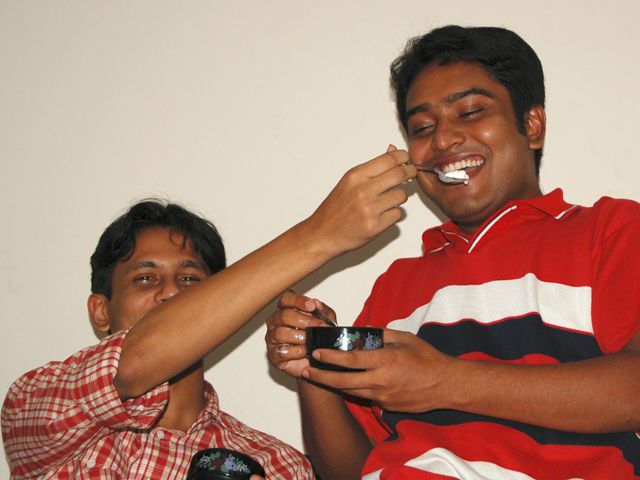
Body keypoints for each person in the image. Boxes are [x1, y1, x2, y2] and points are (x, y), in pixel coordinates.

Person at [265, 25, 640, 479]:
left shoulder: (612, 230)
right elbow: (349, 470)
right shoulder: (396, 284)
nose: (442, 140)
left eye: (469, 111)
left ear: (532, 125)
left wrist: (442, 382)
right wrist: (314, 375)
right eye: (422, 127)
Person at [1, 149, 416, 479]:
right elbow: (134, 363)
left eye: (190, 282)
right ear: (100, 311)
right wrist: (320, 235)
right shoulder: (42, 410)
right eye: (145, 279)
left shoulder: (275, 464)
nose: (170, 295)